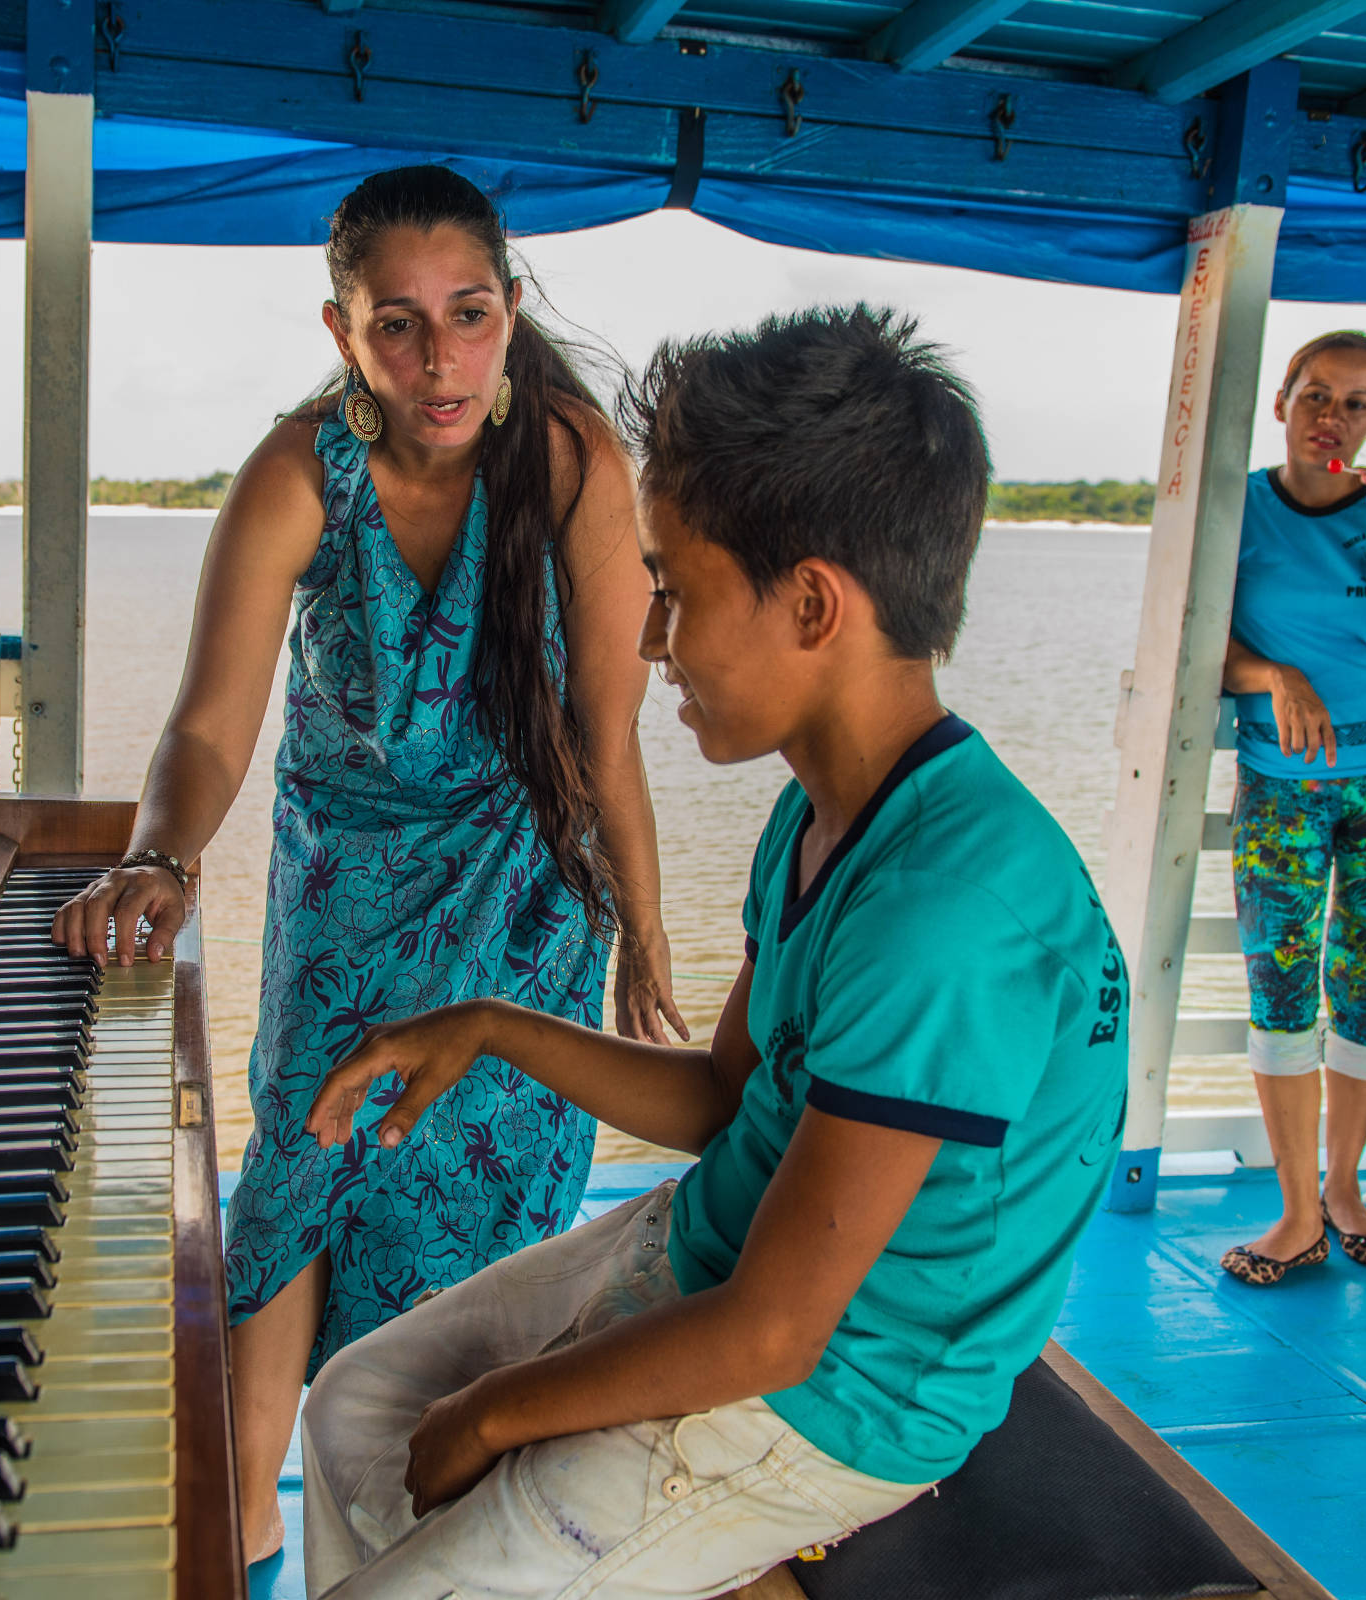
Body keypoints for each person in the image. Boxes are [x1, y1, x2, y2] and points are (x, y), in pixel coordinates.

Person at [293, 307, 1129, 1599]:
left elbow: (777, 1332)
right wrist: (495, 1024)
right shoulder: (825, 806)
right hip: (720, 1245)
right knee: (354, 1406)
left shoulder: (944, 915)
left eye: (673, 591)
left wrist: (497, 1414)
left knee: (434, 1469)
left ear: (810, 604)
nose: (647, 641)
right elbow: (731, 1103)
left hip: (834, 1396)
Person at [48, 166, 682, 1563]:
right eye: (396, 324)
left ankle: (406, 1562)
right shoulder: (299, 472)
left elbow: (609, 742)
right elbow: (209, 728)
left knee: (461, 1265)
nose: (437, 357)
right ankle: (228, 1555)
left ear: (510, 314)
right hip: (338, 920)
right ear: (343, 333)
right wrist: (160, 855)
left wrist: (642, 930)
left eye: (465, 315)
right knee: (289, 1203)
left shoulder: (574, 462)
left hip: (520, 924)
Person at [1218, 331, 1366, 1288]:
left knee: (1362, 986)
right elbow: (1198, 641)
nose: (1334, 417)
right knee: (1280, 988)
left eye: (1358, 404)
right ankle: (1294, 1211)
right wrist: (1273, 673)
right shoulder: (1234, 506)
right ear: (1280, 400)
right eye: (1317, 394)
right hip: (1285, 783)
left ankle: (1346, 1190)